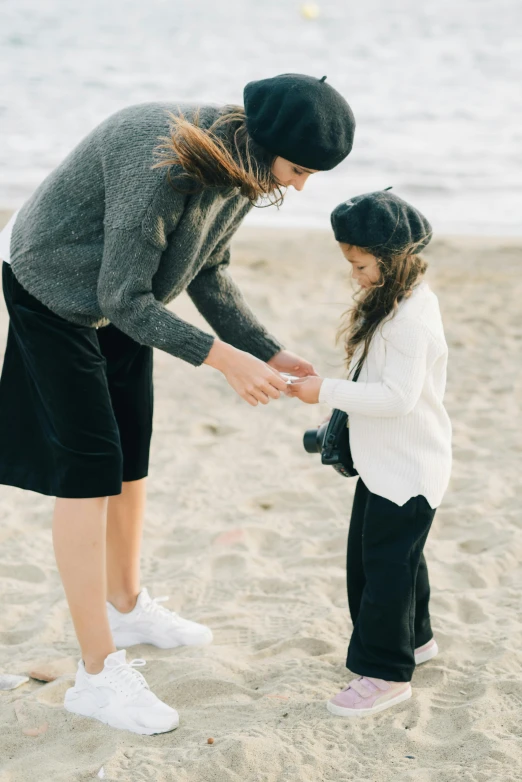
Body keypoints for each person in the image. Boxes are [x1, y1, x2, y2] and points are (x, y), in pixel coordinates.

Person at [0, 73, 355, 735]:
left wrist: (266, 348)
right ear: (270, 142)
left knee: (131, 455)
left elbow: (208, 268)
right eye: (299, 169)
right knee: (90, 469)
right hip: (53, 286)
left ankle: (127, 605)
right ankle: (97, 675)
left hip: (123, 299)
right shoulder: (159, 158)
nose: (300, 186)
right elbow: (123, 300)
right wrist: (224, 360)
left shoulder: (246, 163)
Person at [287, 190, 452, 717]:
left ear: (392, 258)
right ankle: (417, 641)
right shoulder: (400, 302)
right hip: (387, 465)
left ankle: (385, 674)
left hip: (408, 468)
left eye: (360, 265)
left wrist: (325, 391)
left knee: (381, 572)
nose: (354, 275)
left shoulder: (410, 321)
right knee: (397, 561)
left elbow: (397, 398)